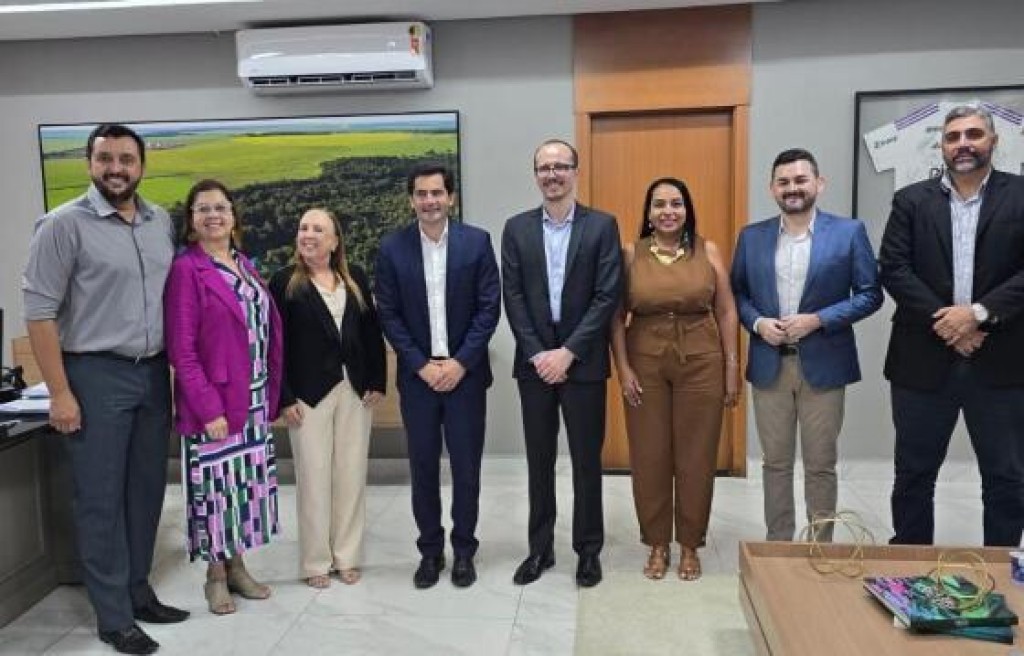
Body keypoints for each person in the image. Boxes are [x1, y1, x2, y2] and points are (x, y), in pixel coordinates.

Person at [22, 124, 187, 655]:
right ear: (89, 163)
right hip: (95, 374)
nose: (116, 169)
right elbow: (39, 313)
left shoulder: (160, 221)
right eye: (105, 158)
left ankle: (138, 591)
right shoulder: (62, 225)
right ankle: (114, 616)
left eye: (126, 159)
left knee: (145, 491)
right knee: (100, 499)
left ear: (142, 165)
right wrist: (59, 392)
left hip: (152, 374)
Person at [880, 105, 1024, 547]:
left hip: (1002, 360)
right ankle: (909, 567)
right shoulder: (910, 200)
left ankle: (1000, 567)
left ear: (993, 141)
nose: (963, 144)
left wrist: (977, 314)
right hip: (922, 360)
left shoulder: (1020, 195)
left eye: (973, 134)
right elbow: (894, 268)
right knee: (913, 475)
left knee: (1006, 476)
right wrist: (950, 323)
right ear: (941, 145)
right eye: (953, 136)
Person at [731, 148, 882, 543]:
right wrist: (758, 323)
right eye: (783, 182)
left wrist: (818, 320)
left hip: (824, 366)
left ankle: (820, 548)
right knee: (775, 464)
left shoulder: (848, 233)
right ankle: (779, 546)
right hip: (770, 364)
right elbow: (738, 294)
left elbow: (871, 294)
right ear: (772, 188)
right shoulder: (751, 237)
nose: (792, 188)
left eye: (800, 180)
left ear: (819, 183)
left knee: (820, 465)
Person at [502, 139, 622, 588]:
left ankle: (588, 551)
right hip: (534, 365)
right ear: (535, 174)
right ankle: (540, 549)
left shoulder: (602, 226)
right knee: (539, 461)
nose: (552, 174)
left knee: (587, 462)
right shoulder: (516, 229)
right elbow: (512, 296)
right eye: (544, 167)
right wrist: (539, 354)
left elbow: (606, 295)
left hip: (583, 363)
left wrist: (568, 352)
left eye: (560, 166)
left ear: (576, 171)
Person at [375, 162, 500, 589]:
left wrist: (460, 363)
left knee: (466, 469)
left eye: (437, 193)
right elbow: (389, 314)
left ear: (451, 198)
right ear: (411, 200)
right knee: (424, 468)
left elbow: (489, 308)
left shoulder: (476, 242)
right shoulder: (392, 248)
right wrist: (421, 365)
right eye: (421, 194)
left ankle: (464, 550)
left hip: (466, 376)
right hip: (419, 379)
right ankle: (431, 552)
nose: (430, 201)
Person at [610, 177, 739, 581]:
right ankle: (657, 543)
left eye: (676, 203)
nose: (668, 211)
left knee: (696, 456)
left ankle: (689, 544)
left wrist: (731, 368)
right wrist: (623, 368)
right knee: (649, 456)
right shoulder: (630, 254)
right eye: (660, 204)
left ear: (687, 210)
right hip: (644, 362)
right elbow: (615, 316)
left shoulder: (708, 250)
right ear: (648, 212)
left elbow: (727, 311)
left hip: (701, 362)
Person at [164, 179, 283, 614]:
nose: (213, 215)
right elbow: (182, 349)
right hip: (214, 404)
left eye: (221, 208)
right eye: (203, 209)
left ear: (234, 216)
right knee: (214, 492)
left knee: (243, 490)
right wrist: (208, 407)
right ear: (191, 219)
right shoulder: (187, 270)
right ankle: (215, 577)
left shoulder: (243, 263)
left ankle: (237, 567)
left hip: (252, 401)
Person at [269, 208, 387, 589]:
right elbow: (275, 346)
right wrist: (284, 397)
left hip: (355, 390)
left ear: (335, 241)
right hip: (307, 395)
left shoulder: (354, 279)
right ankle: (316, 562)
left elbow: (371, 332)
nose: (308, 234)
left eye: (318, 229)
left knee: (351, 475)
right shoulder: (285, 282)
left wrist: (377, 380)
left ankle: (347, 556)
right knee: (314, 479)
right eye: (303, 228)